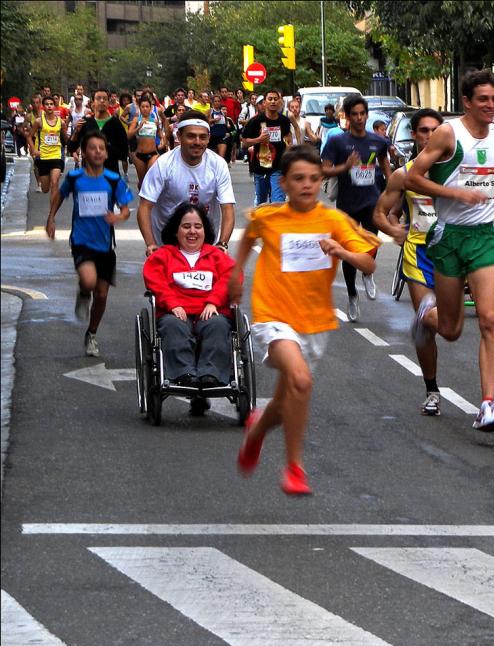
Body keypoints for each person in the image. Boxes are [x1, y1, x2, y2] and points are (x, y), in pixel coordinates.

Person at [231, 144, 380, 495]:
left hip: (314, 322)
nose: (308, 185)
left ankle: (256, 431)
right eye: (299, 178)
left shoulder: (333, 221)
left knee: (286, 401)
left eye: (314, 178)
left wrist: (342, 251)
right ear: (283, 182)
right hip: (272, 316)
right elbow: (247, 238)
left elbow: (369, 264)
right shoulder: (268, 218)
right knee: (301, 379)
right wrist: (235, 276)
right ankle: (294, 467)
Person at [406, 70, 494, 433]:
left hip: (486, 236)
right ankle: (426, 314)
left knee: (489, 320)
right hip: (449, 236)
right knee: (452, 329)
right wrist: (454, 193)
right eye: (483, 99)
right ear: (467, 102)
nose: (491, 105)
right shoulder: (448, 134)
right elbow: (413, 177)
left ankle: (488, 405)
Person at [373, 108, 444, 415]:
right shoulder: (404, 174)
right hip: (419, 253)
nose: (430, 136)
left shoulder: (459, 171)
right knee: (426, 323)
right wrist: (393, 229)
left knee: (457, 322)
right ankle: (432, 390)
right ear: (414, 135)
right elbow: (380, 213)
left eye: (435, 130)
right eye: (424, 131)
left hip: (456, 251)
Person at [45, 132, 134, 357]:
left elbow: (126, 210)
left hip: (105, 245)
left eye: (101, 148)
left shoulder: (113, 180)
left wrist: (118, 217)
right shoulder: (75, 177)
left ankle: (91, 333)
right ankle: (84, 292)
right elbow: (59, 196)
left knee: (102, 295)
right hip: (81, 241)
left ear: (106, 154)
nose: (97, 152)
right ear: (84, 152)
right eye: (92, 148)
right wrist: (51, 218)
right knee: (88, 280)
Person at [143, 203, 235, 390]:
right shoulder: (163, 256)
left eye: (198, 226)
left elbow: (232, 277)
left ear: (205, 231)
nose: (192, 231)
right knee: (172, 325)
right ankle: (184, 374)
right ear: (176, 231)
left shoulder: (216, 256)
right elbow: (155, 280)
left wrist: (213, 302)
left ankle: (210, 374)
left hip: (210, 311)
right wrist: (172, 304)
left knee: (217, 325)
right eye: (186, 226)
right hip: (175, 312)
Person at [321, 94, 391, 320]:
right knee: (349, 252)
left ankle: (367, 272)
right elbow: (324, 170)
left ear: (367, 115)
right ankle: (352, 294)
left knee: (371, 242)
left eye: (362, 114)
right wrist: (345, 166)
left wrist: (392, 188)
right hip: (348, 204)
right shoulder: (337, 141)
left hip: (372, 200)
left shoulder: (378, 141)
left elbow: (385, 164)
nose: (359, 118)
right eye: (354, 114)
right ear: (347, 117)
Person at [138, 110, 236, 258]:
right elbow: (145, 207)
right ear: (179, 136)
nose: (197, 142)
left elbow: (227, 208)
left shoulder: (218, 165)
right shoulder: (163, 164)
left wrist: (222, 243)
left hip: (205, 245)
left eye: (202, 137)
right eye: (191, 136)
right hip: (167, 244)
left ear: (209, 138)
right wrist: (151, 244)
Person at [241, 89, 294, 205]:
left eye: (275, 99)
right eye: (270, 99)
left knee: (278, 203)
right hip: (261, 167)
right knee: (261, 202)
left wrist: (290, 153)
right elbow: (244, 143)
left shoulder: (284, 121)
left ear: (280, 102)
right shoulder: (255, 121)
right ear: (264, 102)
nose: (273, 101)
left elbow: (288, 139)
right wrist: (258, 140)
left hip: (278, 166)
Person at [69, 88, 130, 176]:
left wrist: (106, 148)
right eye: (98, 98)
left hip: (110, 172)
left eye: (105, 99)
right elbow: (71, 147)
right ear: (93, 103)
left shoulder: (115, 123)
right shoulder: (86, 122)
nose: (102, 101)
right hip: (88, 173)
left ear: (108, 102)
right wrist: (76, 132)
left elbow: (123, 152)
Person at [31, 96, 67, 203]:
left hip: (56, 156)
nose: (49, 106)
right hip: (43, 157)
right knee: (45, 189)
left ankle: (52, 212)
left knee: (55, 183)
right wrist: (33, 150)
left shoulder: (61, 122)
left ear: (54, 106)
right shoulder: (39, 121)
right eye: (47, 104)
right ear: (43, 106)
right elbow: (29, 136)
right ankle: (47, 183)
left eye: (51, 104)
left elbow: (67, 139)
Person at [127, 95, 161, 188]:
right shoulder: (136, 120)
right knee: (142, 182)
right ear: (140, 108)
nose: (145, 109)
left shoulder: (155, 121)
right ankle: (141, 196)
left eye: (147, 106)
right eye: (143, 106)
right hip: (139, 155)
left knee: (150, 179)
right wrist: (139, 127)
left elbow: (160, 134)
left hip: (153, 154)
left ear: (151, 108)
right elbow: (129, 135)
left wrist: (163, 142)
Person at [208, 94, 230, 159]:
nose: (217, 103)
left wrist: (227, 125)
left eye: (218, 101)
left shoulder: (222, 111)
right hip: (213, 136)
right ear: (212, 102)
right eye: (215, 101)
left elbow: (226, 121)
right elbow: (205, 121)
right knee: (213, 158)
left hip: (222, 136)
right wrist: (214, 120)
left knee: (221, 157)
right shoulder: (210, 111)